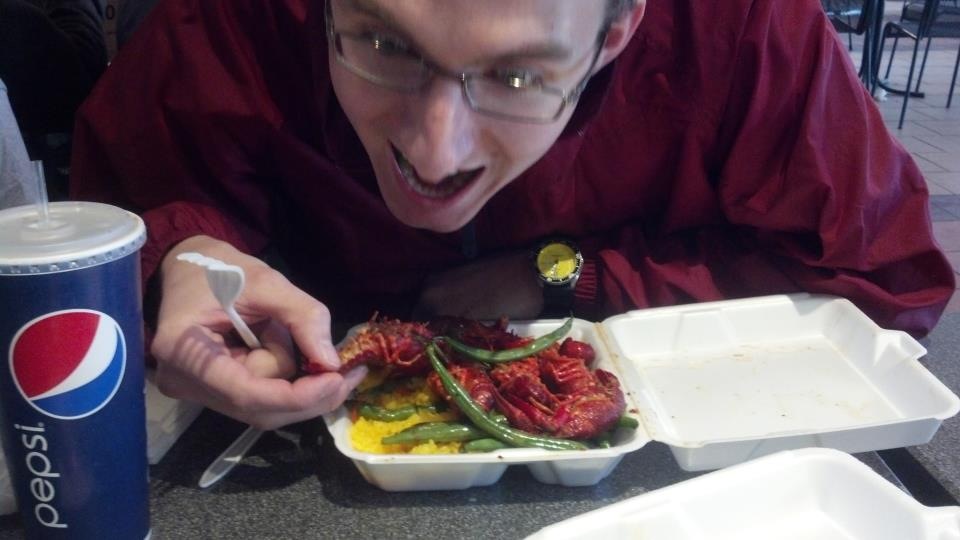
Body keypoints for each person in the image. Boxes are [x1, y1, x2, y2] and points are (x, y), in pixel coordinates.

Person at [69, 0, 956, 430]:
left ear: (617, 33)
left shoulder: (742, 29)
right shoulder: (230, 18)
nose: (435, 155)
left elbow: (881, 276)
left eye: (521, 75)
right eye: (384, 43)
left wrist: (571, 276)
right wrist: (180, 261)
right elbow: (109, 222)